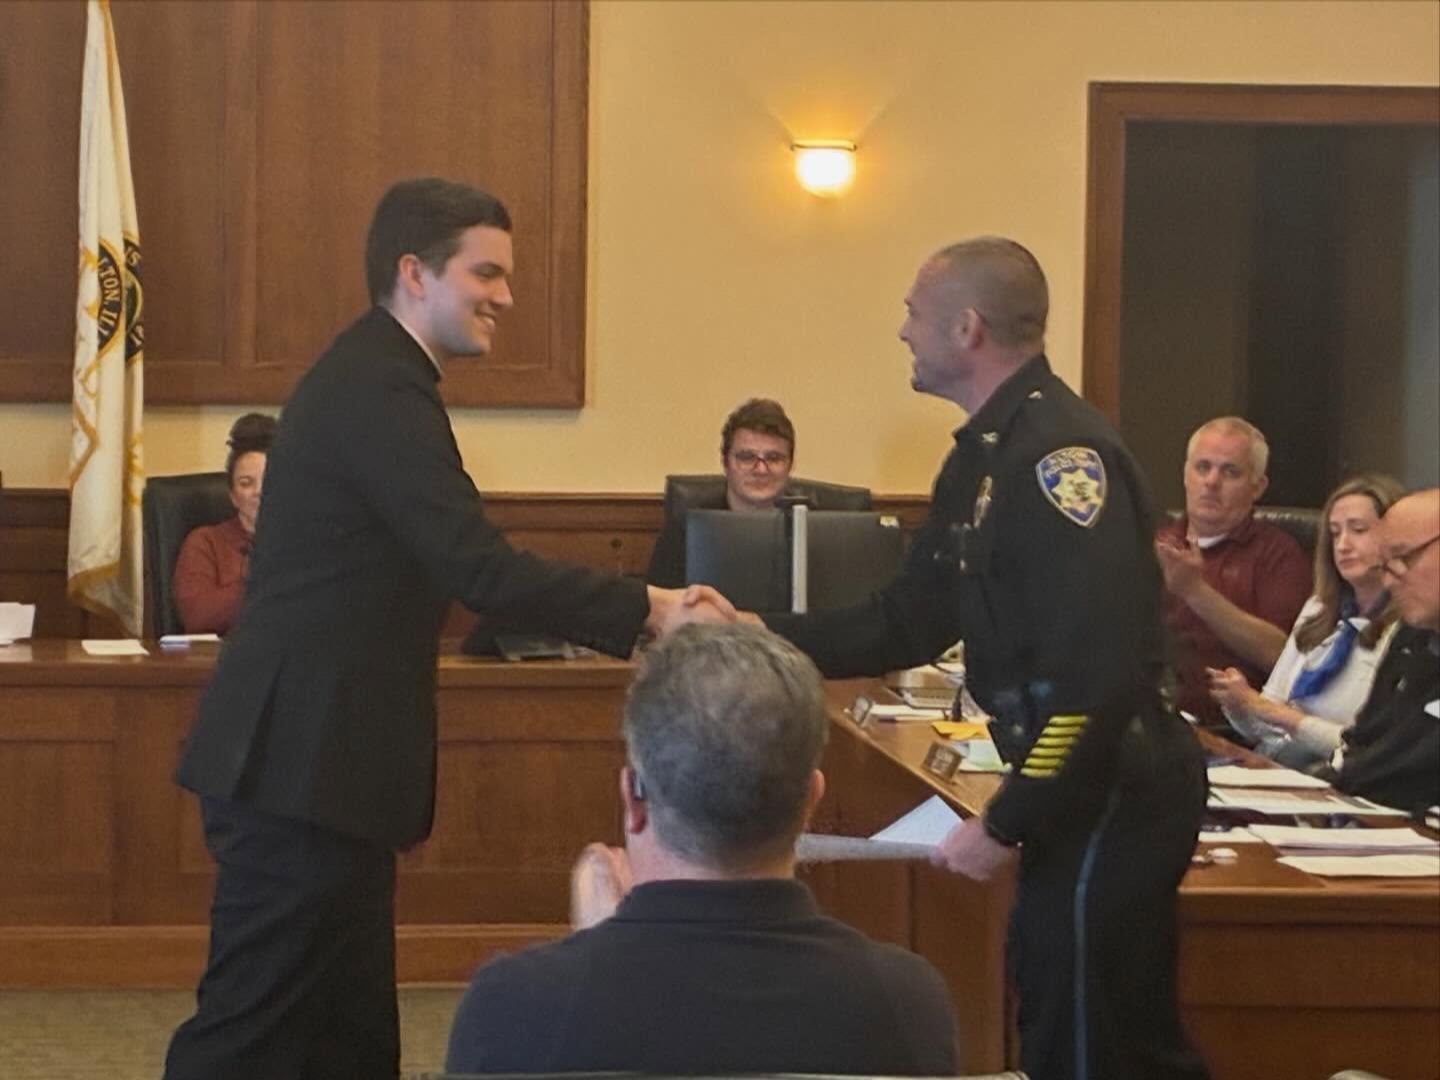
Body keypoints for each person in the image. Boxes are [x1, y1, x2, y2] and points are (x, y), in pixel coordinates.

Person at [162, 178, 729, 1080]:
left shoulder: (383, 378)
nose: (506, 294)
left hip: (321, 766)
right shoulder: (377, 388)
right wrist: (652, 609)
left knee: (344, 1037)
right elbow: (477, 568)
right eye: (487, 272)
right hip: (295, 765)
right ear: (414, 273)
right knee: (254, 1031)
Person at [690, 238, 1207, 1080]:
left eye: (913, 315)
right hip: (1078, 790)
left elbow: (1096, 677)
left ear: (965, 328)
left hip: (1115, 790)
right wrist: (750, 628)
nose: (902, 333)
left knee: (1096, 1045)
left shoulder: (1059, 462)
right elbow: (905, 624)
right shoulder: (984, 458)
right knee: (1056, 1018)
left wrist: (1010, 819)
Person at [444, 623, 960, 1075]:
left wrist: (595, 952)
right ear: (811, 803)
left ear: (632, 799)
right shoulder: (907, 1004)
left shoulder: (511, 1006)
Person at [1209, 474, 1404, 769]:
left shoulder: (1409, 630)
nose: (1343, 545)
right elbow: (1268, 729)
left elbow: (1371, 748)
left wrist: (1274, 714)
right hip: (1279, 766)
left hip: (1338, 778)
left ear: (1398, 537)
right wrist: (1239, 705)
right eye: (1335, 533)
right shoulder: (1319, 609)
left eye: (1359, 530)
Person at [1154, 417, 1312, 732]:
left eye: (1230, 472)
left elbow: (1280, 657)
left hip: (1233, 732)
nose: (1212, 481)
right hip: (1154, 721)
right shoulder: (1153, 543)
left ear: (1257, 487)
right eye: (1202, 467)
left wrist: (1195, 592)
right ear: (1185, 475)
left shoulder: (1278, 554)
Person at [1322, 487, 1440, 817]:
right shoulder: (1412, 635)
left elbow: (1415, 765)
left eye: (1403, 559)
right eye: (1385, 566)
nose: (1389, 582)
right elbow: (1365, 737)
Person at [645, 397, 797, 587]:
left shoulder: (812, 527)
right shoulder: (688, 527)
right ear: (725, 463)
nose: (760, 469)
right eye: (746, 457)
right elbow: (661, 606)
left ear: (790, 465)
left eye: (774, 458)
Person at [172, 412, 278, 635]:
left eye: (269, 481)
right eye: (246, 483)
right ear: (232, 495)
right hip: (222, 665)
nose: (258, 492)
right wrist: (270, 584)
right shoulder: (205, 543)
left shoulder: (308, 543)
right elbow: (197, 616)